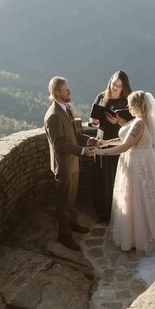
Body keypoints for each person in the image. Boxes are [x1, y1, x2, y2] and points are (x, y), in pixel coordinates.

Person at [93, 90, 155, 284]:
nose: (128, 108)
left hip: (136, 167)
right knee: (147, 201)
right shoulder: (146, 121)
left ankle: (139, 237)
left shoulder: (138, 123)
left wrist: (100, 152)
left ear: (138, 106)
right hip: (145, 163)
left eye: (131, 105)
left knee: (135, 200)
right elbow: (126, 139)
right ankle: (144, 232)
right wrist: (105, 142)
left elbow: (124, 147)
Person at [44, 76, 96, 251]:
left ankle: (73, 225)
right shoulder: (53, 116)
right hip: (64, 166)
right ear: (57, 92)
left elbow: (74, 134)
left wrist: (89, 141)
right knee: (64, 202)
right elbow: (59, 143)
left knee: (72, 199)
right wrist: (82, 151)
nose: (70, 92)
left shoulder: (66, 109)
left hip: (72, 163)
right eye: (66, 90)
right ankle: (64, 236)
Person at [89, 71, 133, 222]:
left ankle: (118, 212)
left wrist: (118, 121)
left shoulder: (127, 100)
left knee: (116, 176)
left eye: (119, 86)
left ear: (124, 87)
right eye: (114, 83)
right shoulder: (101, 97)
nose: (115, 87)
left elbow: (133, 124)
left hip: (118, 139)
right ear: (110, 81)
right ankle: (102, 211)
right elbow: (92, 119)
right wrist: (94, 120)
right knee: (101, 176)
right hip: (101, 139)